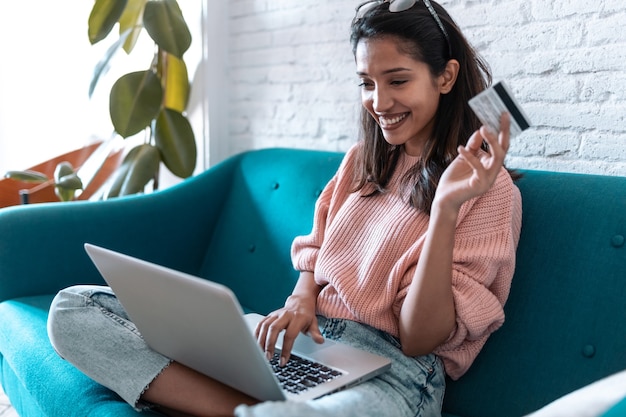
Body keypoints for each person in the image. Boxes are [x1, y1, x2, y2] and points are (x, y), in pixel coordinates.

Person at [47, 1, 522, 416]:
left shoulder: (489, 190)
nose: (379, 103)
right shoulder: (364, 160)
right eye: (366, 83)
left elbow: (420, 339)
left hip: (394, 376)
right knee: (74, 309)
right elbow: (315, 257)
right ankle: (250, 406)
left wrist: (443, 209)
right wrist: (300, 298)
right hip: (304, 348)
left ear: (446, 75)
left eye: (397, 80)